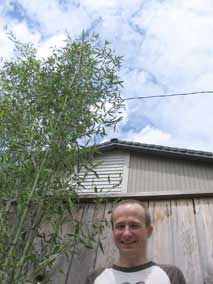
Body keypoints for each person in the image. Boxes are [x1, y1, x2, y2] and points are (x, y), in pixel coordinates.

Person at [85, 199, 186, 284]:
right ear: (113, 232)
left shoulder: (171, 275)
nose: (126, 234)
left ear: (148, 231)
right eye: (120, 226)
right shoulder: (95, 278)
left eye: (134, 225)